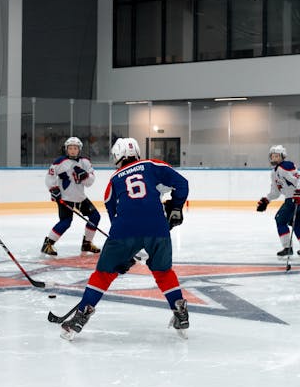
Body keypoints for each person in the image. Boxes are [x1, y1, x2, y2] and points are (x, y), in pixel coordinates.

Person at [60, 137, 190, 341]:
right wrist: (176, 207)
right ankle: (180, 311)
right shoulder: (153, 165)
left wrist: (123, 257)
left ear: (117, 156)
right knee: (163, 272)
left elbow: (114, 217)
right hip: (158, 229)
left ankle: (81, 316)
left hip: (124, 231)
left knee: (103, 274)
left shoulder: (113, 181)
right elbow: (182, 184)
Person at [42, 137, 101, 256]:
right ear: (66, 149)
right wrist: (54, 190)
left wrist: (85, 176)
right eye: (70, 148)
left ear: (79, 149)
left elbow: (90, 182)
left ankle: (87, 244)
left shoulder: (85, 162)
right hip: (65, 198)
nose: (73, 151)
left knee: (95, 216)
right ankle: (48, 244)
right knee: (66, 221)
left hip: (80, 197)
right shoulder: (59, 162)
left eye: (75, 148)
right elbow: (49, 177)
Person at [256, 145, 300, 257]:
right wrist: (267, 199)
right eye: (272, 156)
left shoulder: (286, 166)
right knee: (296, 223)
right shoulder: (274, 173)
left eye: (277, 156)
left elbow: (299, 179)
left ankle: (287, 248)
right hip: (297, 196)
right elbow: (276, 192)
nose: (274, 158)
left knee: (280, 219)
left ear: (282, 157)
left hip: (297, 196)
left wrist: (298, 193)